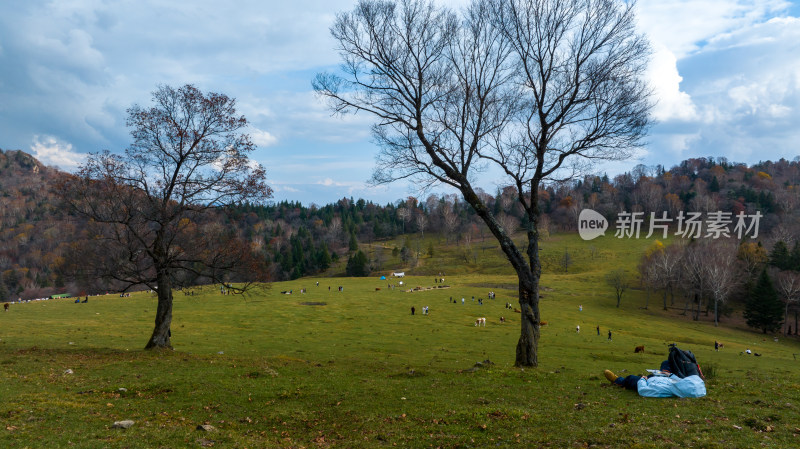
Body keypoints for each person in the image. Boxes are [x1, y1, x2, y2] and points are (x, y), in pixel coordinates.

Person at [603, 358, 706, 398]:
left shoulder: (664, 391)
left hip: (648, 381)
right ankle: (665, 370)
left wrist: (643, 379)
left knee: (630, 378)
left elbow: (643, 391)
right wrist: (668, 374)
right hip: (663, 377)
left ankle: (617, 380)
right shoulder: (684, 385)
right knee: (666, 363)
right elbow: (680, 381)